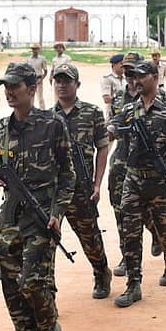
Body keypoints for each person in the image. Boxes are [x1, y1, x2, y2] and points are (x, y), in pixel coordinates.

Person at [0, 62, 74, 331]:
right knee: (11, 284)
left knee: (33, 282)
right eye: (7, 87)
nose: (10, 92)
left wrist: (58, 213)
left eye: (16, 86)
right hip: (10, 216)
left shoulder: (52, 124)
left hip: (41, 217)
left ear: (32, 87)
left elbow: (67, 175)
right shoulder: (0, 129)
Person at [108, 61, 166, 307]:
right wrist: (104, 133)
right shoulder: (130, 108)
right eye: (133, 77)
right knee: (130, 230)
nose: (136, 81)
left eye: (141, 76)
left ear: (155, 77)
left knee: (164, 226)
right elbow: (111, 130)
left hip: (160, 179)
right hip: (132, 178)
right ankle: (133, 285)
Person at [51, 63, 112, 297]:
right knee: (47, 241)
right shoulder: (47, 117)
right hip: (55, 190)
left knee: (90, 237)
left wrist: (97, 184)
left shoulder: (92, 112)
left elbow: (102, 148)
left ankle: (100, 271)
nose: (62, 85)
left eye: (67, 81)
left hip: (81, 188)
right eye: (58, 81)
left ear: (77, 84)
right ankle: (47, 290)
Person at [99, 53, 125, 120]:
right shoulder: (107, 78)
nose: (123, 66)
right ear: (114, 65)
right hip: (113, 113)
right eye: (121, 64)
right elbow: (106, 99)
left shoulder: (126, 78)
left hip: (126, 112)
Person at [25, 44, 49, 108]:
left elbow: (45, 71)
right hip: (30, 79)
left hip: (38, 79)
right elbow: (26, 70)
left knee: (40, 97)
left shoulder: (42, 59)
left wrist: (41, 79)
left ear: (39, 50)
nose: (35, 50)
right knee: (31, 96)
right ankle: (31, 111)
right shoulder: (28, 59)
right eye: (33, 49)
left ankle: (43, 111)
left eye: (36, 49)